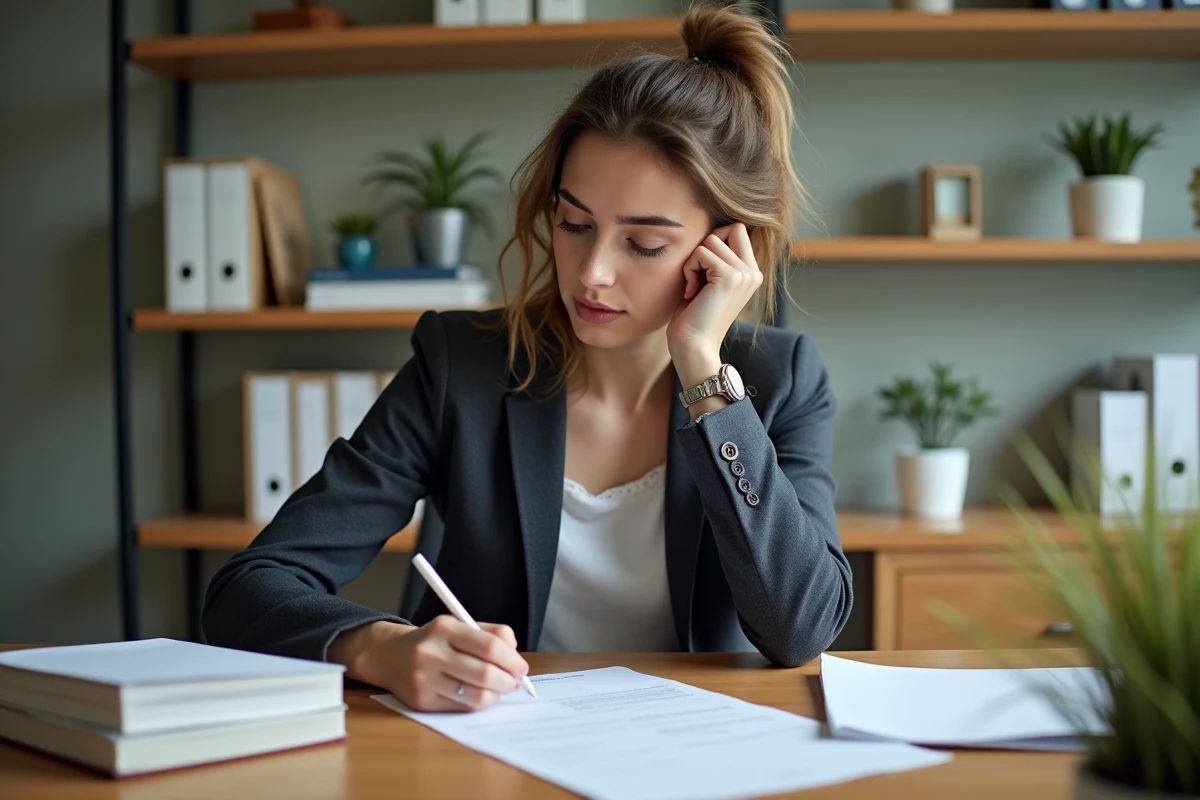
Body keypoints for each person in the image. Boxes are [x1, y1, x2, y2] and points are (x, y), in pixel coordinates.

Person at [202, 3, 852, 714]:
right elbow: (248, 587)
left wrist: (702, 370)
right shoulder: (460, 366)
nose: (591, 273)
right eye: (574, 224)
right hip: (491, 743)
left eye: (644, 243)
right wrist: (379, 647)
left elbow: (800, 629)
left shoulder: (779, 380)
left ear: (727, 248)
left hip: (695, 743)